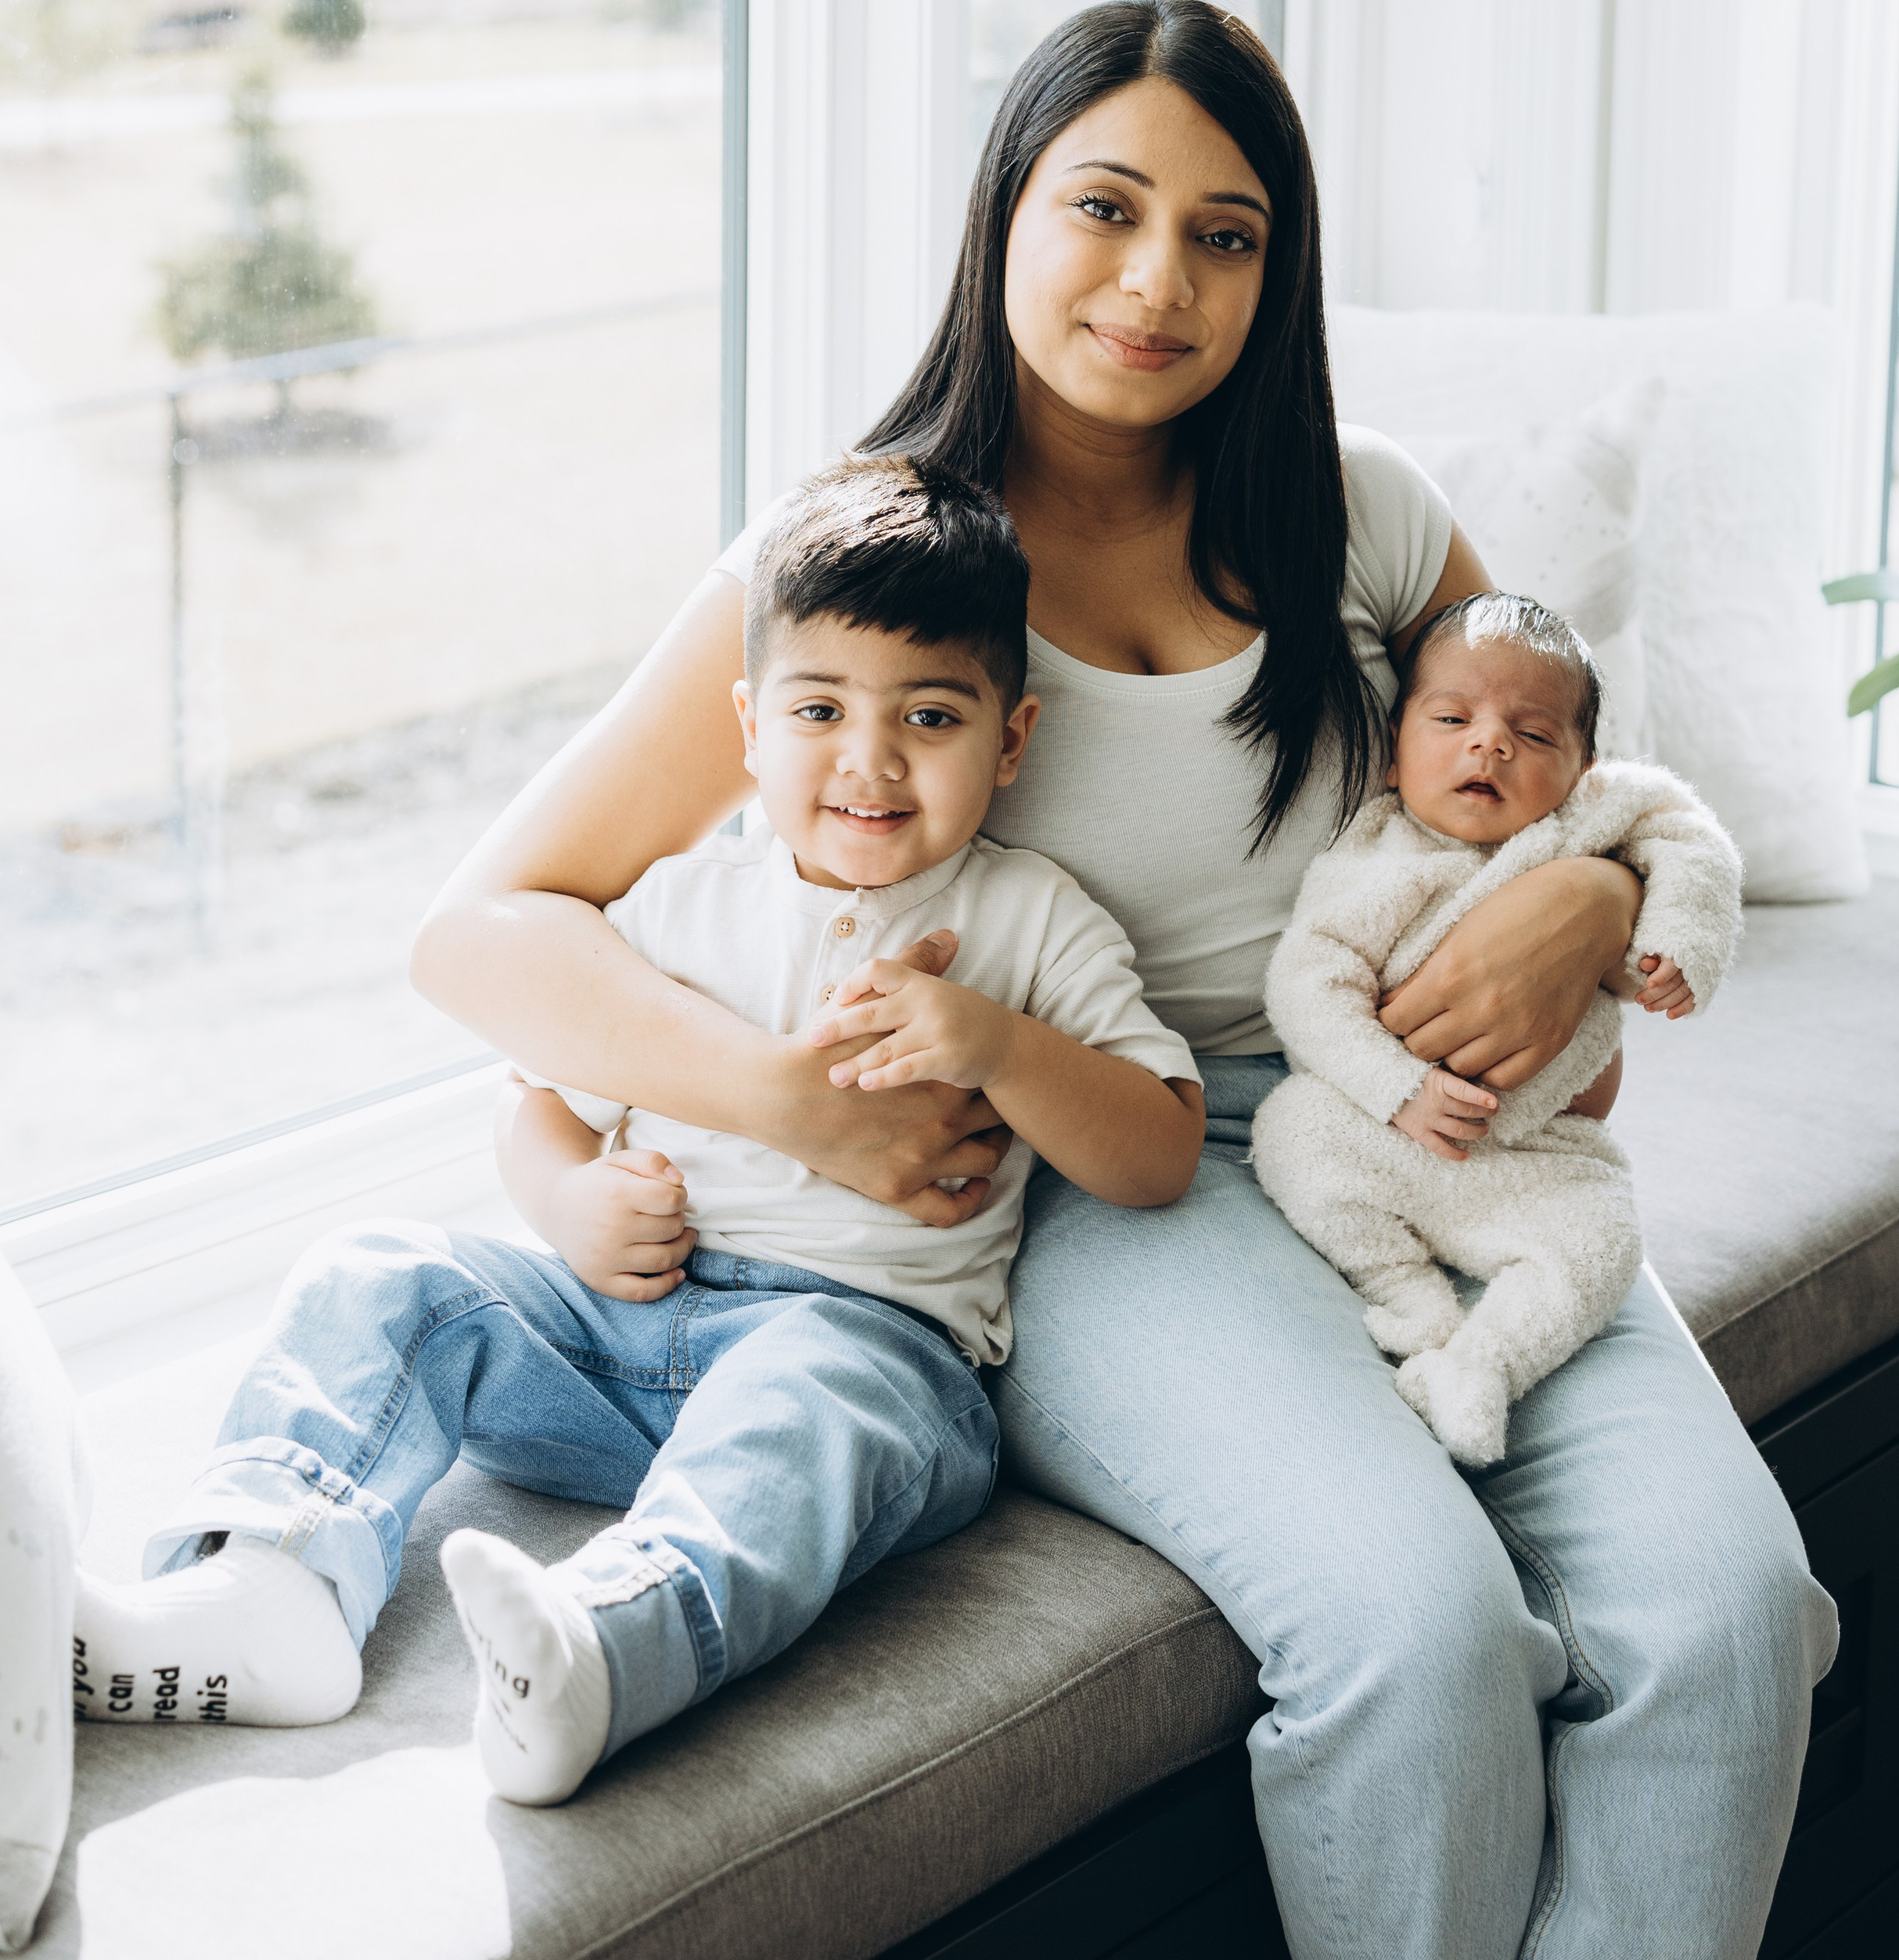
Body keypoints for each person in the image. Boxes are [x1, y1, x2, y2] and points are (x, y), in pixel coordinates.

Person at [409, 0, 1836, 1958]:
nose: (1157, 280)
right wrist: (792, 1102)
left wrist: (1584, 896)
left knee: (1733, 1614)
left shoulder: (1365, 506)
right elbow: (483, 931)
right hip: (1101, 1183)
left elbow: (1572, 760)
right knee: (1413, 1633)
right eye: (1103, 205)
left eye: (1226, 232)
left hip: (1425, 1133)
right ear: (1005, 206)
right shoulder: (860, 563)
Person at [70, 459, 1201, 1805]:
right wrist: (561, 1205)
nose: (870, 758)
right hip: (618, 1345)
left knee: (796, 1417)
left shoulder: (1034, 923)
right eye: (821, 708)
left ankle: (602, 1648)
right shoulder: (679, 903)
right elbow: (537, 1094)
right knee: (382, 1272)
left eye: (932, 715)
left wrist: (1004, 1047)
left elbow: (1161, 1150)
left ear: (1010, 740)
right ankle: (270, 1577)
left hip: (868, 1352)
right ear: (749, 725)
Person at [1253, 591, 1741, 1467]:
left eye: (1535, 734)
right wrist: (1395, 1087)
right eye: (1451, 717)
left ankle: (1484, 1363)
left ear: (1584, 766)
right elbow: (1306, 985)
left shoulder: (1590, 822)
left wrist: (1679, 938)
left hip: (1536, 1154)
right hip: (1384, 1132)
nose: (1490, 743)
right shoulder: (1372, 856)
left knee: (1603, 1238)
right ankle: (1410, 1300)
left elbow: (1691, 835)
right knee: (1291, 1130)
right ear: (1395, 755)